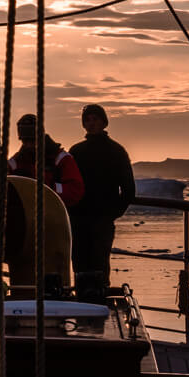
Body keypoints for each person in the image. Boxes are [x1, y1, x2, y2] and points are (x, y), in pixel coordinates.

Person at [69, 102, 136, 299]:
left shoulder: (116, 151)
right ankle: (82, 297)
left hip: (102, 217)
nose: (91, 123)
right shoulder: (76, 151)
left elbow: (128, 188)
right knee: (80, 260)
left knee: (99, 260)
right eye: (88, 120)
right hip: (78, 216)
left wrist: (113, 213)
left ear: (104, 122)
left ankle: (100, 299)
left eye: (95, 119)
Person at [9, 113, 85, 207]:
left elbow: (75, 191)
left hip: (55, 214)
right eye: (25, 141)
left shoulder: (61, 159)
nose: (28, 145)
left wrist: (50, 186)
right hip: (25, 215)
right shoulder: (15, 163)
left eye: (32, 140)